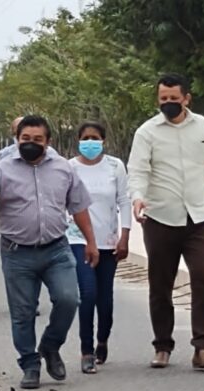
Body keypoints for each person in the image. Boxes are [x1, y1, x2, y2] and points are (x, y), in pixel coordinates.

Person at [0, 115, 98, 389]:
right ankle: (30, 363)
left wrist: (91, 241)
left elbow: (79, 207)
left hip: (56, 249)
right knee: (23, 312)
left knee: (69, 299)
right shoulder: (0, 171)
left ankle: (50, 346)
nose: (30, 144)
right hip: (17, 253)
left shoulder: (64, 169)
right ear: (17, 140)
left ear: (47, 141)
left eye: (37, 140)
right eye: (25, 139)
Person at [128, 74, 204, 371]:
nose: (168, 103)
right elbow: (138, 170)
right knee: (160, 284)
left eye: (173, 98)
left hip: (199, 217)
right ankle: (162, 346)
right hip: (160, 217)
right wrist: (138, 198)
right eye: (163, 99)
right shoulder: (147, 132)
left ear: (186, 98)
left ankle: (203, 347)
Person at [68, 122, 132, 374]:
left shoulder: (116, 166)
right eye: (86, 138)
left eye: (95, 138)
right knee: (87, 293)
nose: (90, 142)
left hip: (108, 241)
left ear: (103, 140)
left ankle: (102, 340)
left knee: (105, 299)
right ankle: (86, 350)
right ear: (78, 140)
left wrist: (124, 235)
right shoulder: (69, 168)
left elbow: (124, 201)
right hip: (78, 240)